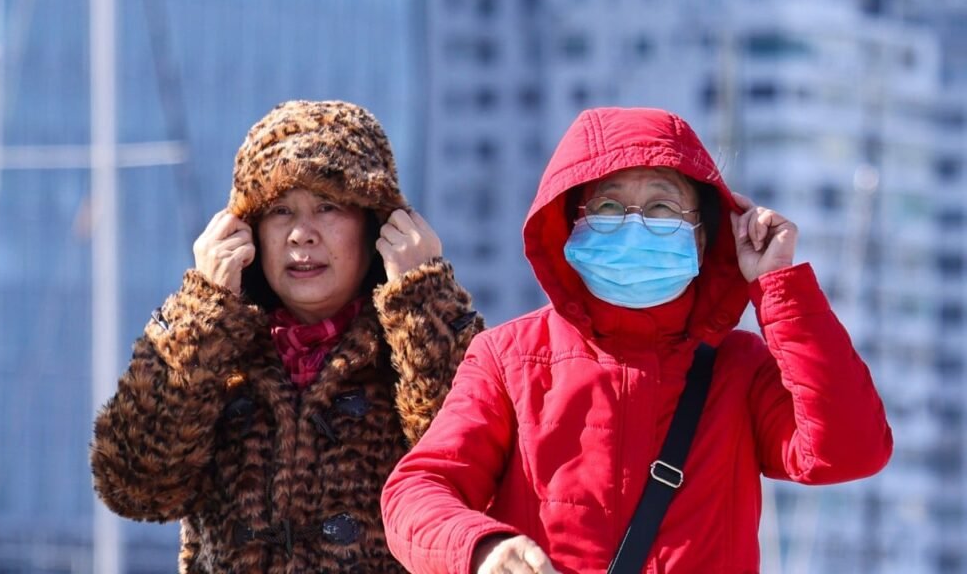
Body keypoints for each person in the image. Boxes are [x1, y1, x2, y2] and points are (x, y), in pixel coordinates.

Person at [380, 107, 893, 574]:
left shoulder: (741, 368)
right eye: (607, 206)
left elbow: (849, 451)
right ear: (570, 227)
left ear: (701, 236)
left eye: (662, 208)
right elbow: (415, 492)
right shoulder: (509, 356)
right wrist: (482, 549)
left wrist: (779, 284)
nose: (633, 225)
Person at [90, 100, 483, 573]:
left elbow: (478, 477)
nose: (302, 234)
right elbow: (135, 485)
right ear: (247, 230)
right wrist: (202, 307)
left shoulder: (416, 339)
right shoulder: (218, 352)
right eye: (280, 211)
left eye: (328, 207)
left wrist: (424, 301)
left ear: (375, 224)